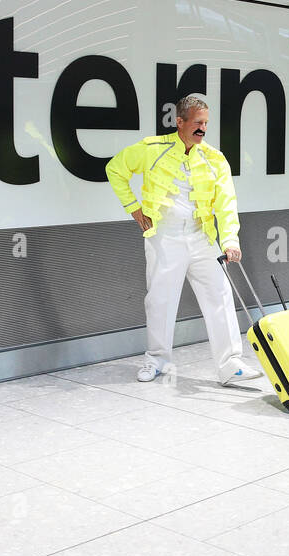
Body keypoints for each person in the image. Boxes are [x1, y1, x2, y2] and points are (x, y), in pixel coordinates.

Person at [105, 94, 264, 385]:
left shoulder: (215, 159)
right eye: (197, 123)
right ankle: (157, 360)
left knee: (220, 294)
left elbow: (226, 203)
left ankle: (229, 364)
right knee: (160, 300)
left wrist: (230, 240)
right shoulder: (152, 149)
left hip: (202, 236)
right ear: (180, 122)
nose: (202, 129)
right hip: (165, 237)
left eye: (206, 123)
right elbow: (115, 168)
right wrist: (134, 208)